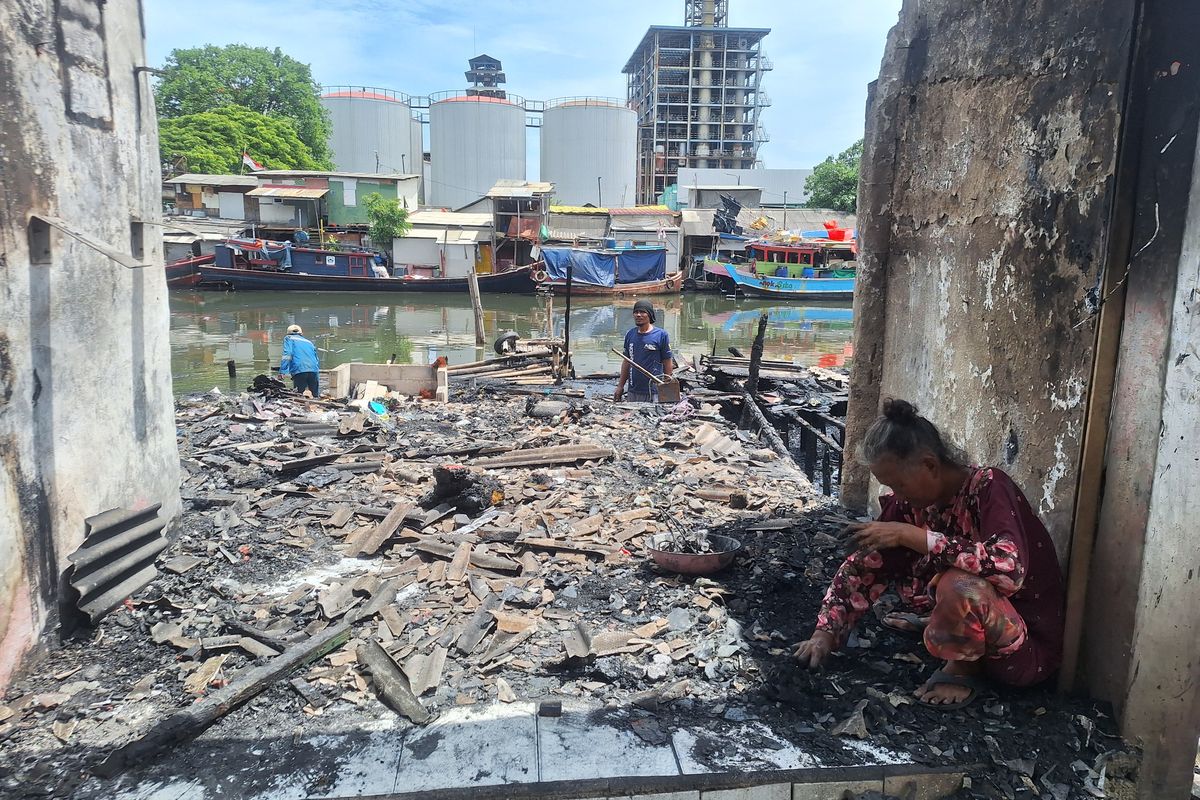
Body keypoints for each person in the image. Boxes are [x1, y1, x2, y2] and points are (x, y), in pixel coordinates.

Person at [792, 399, 1064, 708]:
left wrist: (915, 537)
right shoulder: (911, 505)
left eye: (898, 484)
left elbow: (1009, 569)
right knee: (902, 560)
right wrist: (825, 633)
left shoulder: (989, 487)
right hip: (979, 628)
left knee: (958, 584)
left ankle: (963, 668)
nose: (896, 494)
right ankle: (943, 631)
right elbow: (866, 566)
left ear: (930, 465)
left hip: (1022, 651)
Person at [613, 299, 673, 403]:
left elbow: (667, 361)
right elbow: (627, 361)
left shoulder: (661, 335)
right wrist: (620, 386)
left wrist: (667, 385)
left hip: (654, 390)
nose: (638, 315)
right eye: (636, 312)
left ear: (649, 315)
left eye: (642, 312)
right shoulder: (630, 334)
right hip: (633, 390)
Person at [279, 324, 320, 396]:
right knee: (315, 395)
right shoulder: (309, 342)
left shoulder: (288, 338)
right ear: (301, 333)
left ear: (288, 333)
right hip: (313, 369)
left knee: (298, 394)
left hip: (299, 369)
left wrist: (283, 371)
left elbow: (287, 354)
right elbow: (316, 358)